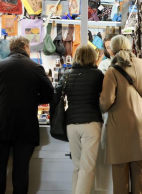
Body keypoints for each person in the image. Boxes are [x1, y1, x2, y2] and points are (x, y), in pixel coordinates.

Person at [0, 36, 53, 194]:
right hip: (26, 126)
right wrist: (32, 100)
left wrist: (2, 101)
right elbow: (49, 94)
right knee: (21, 171)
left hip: (1, 124)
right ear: (25, 46)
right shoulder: (35, 68)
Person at [100, 35, 142, 194]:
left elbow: (106, 102)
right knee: (140, 174)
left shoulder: (112, 70)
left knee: (120, 177)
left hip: (120, 127)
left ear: (112, 51)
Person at [51, 44, 104, 194]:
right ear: (92, 58)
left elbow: (55, 98)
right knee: (87, 167)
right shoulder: (98, 75)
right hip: (91, 123)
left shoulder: (67, 74)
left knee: (77, 166)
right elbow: (106, 98)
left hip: (71, 124)